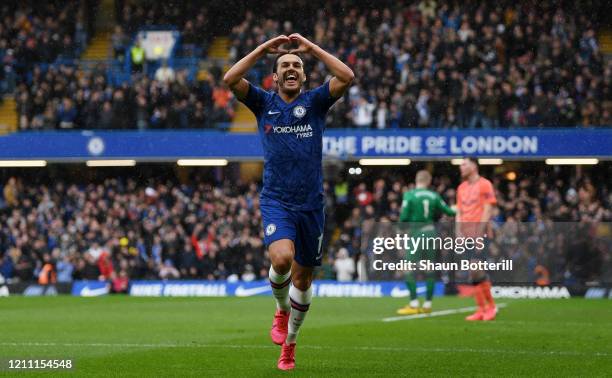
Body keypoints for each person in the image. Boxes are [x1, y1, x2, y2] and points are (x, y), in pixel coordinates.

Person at [223, 33, 354, 370]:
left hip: (311, 204)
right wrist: (261, 49)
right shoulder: (264, 104)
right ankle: (280, 311)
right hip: (277, 200)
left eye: (297, 64)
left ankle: (291, 344)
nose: (292, 68)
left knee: (304, 281)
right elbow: (231, 79)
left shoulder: (314, 103)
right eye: (285, 66)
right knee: (282, 259)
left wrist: (313, 49)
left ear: (304, 75)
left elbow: (346, 77)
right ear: (276, 77)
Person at [397, 170, 456, 315]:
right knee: (429, 270)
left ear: (416, 180)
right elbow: (449, 212)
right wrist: (458, 208)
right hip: (431, 233)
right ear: (429, 181)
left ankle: (414, 303)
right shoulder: (434, 195)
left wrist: (401, 228)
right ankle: (428, 304)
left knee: (408, 269)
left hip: (417, 233)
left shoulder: (410, 195)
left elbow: (403, 217)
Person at [456, 157, 498, 321]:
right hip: (466, 234)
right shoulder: (461, 188)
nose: (461, 167)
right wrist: (458, 231)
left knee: (476, 268)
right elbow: (459, 211)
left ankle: (491, 307)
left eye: (464, 164)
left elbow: (487, 210)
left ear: (474, 166)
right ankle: (481, 309)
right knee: (473, 272)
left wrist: (479, 234)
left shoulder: (485, 184)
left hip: (480, 233)